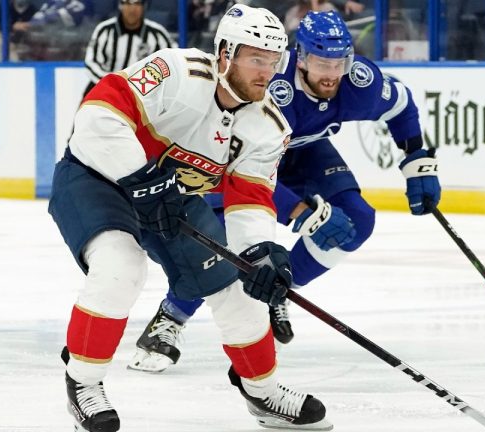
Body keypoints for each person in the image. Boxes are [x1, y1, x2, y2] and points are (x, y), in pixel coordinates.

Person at [48, 4, 332, 431]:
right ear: (225, 53)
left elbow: (251, 197)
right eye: (256, 59)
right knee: (121, 266)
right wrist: (139, 177)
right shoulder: (177, 71)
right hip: (97, 177)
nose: (266, 72)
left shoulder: (269, 126)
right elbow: (98, 113)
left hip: (173, 198)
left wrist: (259, 251)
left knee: (239, 289)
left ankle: (263, 391)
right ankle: (84, 382)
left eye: (274, 61)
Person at [127, 10, 440, 373]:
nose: (332, 74)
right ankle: (171, 317)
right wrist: (301, 212)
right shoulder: (270, 84)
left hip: (305, 154)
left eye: (339, 63)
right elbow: (239, 171)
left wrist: (417, 160)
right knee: (224, 241)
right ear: (301, 58)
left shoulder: (358, 82)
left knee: (358, 219)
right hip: (244, 159)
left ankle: (278, 290)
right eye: (322, 63)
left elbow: (400, 105)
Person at [82, 0, 175, 97]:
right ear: (120, 5)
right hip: (106, 87)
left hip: (144, 93)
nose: (132, 9)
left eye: (137, 3)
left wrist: (142, 87)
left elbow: (172, 63)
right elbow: (91, 63)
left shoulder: (157, 34)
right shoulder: (104, 30)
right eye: (127, 3)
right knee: (87, 102)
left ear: (144, 6)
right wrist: (112, 83)